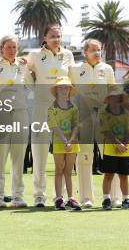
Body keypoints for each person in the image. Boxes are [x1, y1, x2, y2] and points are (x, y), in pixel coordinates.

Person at [26, 24, 75, 207]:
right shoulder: (34, 55)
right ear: (44, 38)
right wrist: (36, 92)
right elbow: (26, 74)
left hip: (63, 109)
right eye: (52, 36)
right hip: (41, 108)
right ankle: (39, 195)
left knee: (62, 153)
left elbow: (72, 79)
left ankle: (59, 196)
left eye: (59, 36)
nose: (56, 39)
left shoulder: (68, 55)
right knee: (39, 152)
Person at [0, 35, 32, 208]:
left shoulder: (22, 66)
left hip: (20, 112)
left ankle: (18, 196)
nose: (12, 50)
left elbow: (31, 84)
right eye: (9, 47)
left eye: (14, 47)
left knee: (18, 157)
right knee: (0, 156)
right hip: (0, 114)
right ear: (1, 48)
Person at [69, 38, 118, 208]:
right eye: (93, 50)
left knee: (110, 156)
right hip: (83, 118)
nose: (97, 53)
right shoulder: (74, 69)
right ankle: (86, 198)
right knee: (84, 156)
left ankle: (115, 197)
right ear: (85, 52)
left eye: (99, 50)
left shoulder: (107, 69)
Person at [99, 86, 129, 210]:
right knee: (108, 175)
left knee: (123, 176)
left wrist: (124, 144)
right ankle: (106, 200)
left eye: (118, 97)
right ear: (108, 99)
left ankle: (126, 199)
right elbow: (106, 131)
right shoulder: (104, 113)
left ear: (121, 99)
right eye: (112, 97)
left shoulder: (126, 113)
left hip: (125, 149)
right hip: (110, 148)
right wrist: (116, 144)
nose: (115, 99)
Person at [48, 77, 81, 211]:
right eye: (61, 87)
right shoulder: (52, 108)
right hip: (58, 142)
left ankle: (71, 198)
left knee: (68, 171)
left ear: (70, 90)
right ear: (56, 90)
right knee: (59, 170)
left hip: (72, 143)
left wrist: (71, 140)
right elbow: (54, 125)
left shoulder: (74, 108)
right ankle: (59, 198)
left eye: (66, 87)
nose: (64, 89)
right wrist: (64, 140)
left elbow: (76, 125)